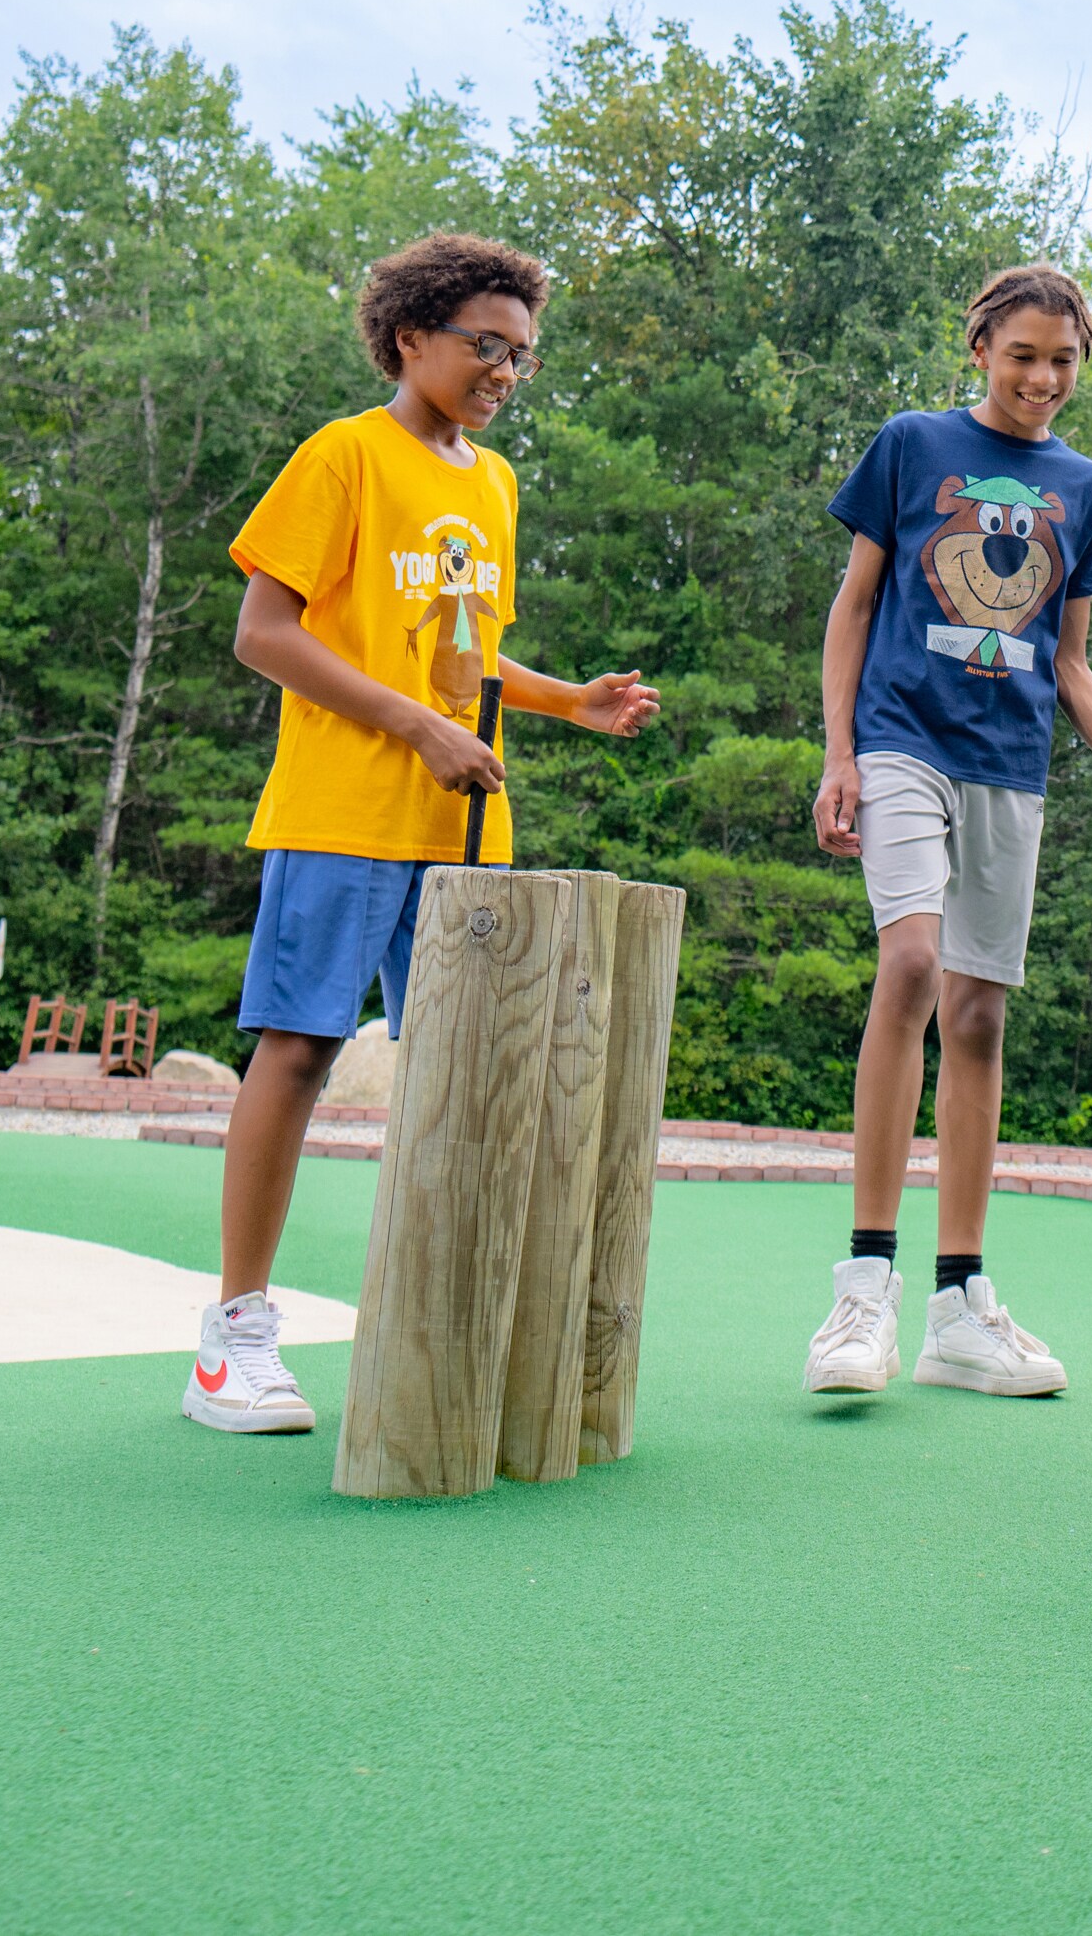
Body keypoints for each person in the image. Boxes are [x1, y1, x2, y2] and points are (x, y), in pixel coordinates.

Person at [189, 234, 663, 1434]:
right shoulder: (345, 454)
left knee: (461, 1068)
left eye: (523, 352)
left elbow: (458, 657)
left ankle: (446, 1326)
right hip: (345, 807)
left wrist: (567, 701)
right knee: (297, 1053)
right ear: (411, 337)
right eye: (485, 344)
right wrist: (413, 728)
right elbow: (265, 631)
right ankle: (234, 1337)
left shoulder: (491, 484)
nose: (505, 368)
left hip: (465, 821)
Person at [798, 263, 1092, 1400]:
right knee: (912, 963)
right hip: (898, 742)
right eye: (1022, 353)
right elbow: (856, 604)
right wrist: (836, 752)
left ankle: (959, 1308)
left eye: (1063, 359)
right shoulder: (911, 445)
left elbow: (1071, 661)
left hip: (1009, 769)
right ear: (980, 347)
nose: (1043, 377)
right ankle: (862, 1289)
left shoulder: (1088, 488)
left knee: (976, 1016)